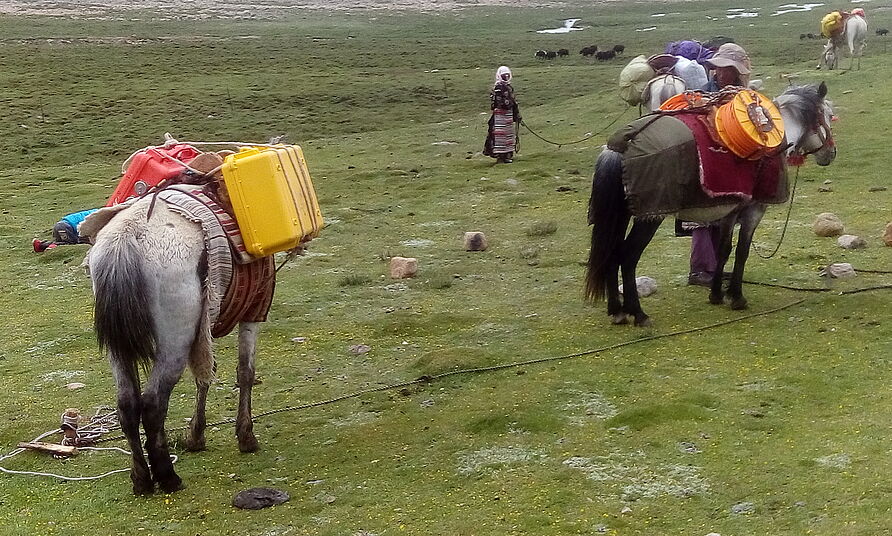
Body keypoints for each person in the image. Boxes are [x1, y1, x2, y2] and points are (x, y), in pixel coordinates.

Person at [686, 43, 752, 286]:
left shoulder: (741, 95)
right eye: (719, 69)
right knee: (703, 217)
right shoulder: (704, 94)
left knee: (722, 215)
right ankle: (700, 268)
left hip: (728, 161)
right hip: (707, 160)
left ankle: (714, 265)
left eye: (727, 69)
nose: (721, 73)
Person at [483, 66, 521, 164]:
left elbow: (513, 101)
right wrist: (510, 105)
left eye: (507, 75)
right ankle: (501, 156)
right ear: (500, 76)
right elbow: (500, 102)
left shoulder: (509, 87)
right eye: (504, 75)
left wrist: (516, 113)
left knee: (509, 135)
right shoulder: (498, 88)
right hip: (500, 115)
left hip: (508, 115)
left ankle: (508, 154)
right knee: (500, 136)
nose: (506, 77)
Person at [32, 208, 99, 252]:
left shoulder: (96, 212)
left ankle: (40, 245)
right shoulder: (99, 215)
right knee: (69, 244)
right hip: (67, 227)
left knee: (60, 241)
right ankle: (53, 248)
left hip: (60, 225)